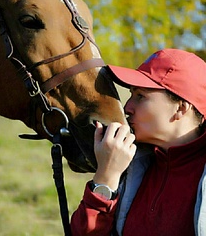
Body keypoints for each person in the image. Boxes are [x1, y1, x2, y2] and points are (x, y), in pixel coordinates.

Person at [70, 48, 206, 236]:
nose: (127, 107)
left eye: (141, 96)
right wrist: (106, 176)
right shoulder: (130, 161)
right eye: (131, 94)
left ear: (181, 108)